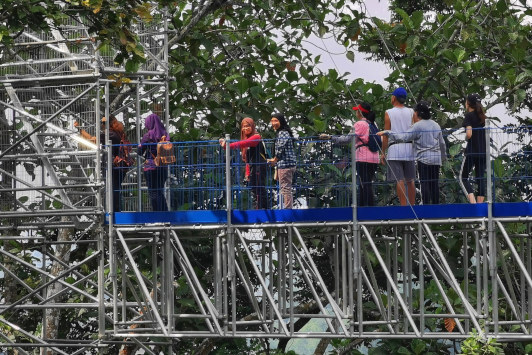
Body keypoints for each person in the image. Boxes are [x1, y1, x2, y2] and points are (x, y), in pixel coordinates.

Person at [378, 101, 446, 205]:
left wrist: (388, 132)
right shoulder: (436, 125)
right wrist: (443, 157)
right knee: (434, 183)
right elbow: (442, 143)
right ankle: (436, 205)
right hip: (436, 159)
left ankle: (426, 206)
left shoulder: (417, 126)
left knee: (425, 183)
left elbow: (403, 137)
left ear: (418, 112)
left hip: (424, 159)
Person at [319, 102, 380, 206]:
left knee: (363, 183)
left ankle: (366, 207)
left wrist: (330, 137)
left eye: (357, 110)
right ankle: (367, 206)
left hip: (363, 158)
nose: (355, 112)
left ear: (360, 113)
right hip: (374, 157)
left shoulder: (359, 124)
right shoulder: (373, 124)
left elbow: (347, 139)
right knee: (367, 182)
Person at [75, 116, 127, 212]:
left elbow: (92, 139)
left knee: (112, 188)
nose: (101, 125)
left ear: (108, 124)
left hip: (113, 166)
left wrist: (80, 129)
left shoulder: (109, 135)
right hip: (120, 165)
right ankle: (116, 209)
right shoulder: (117, 133)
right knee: (115, 188)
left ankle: (114, 210)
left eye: (103, 123)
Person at [220, 117, 268, 209]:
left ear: (253, 126)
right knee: (254, 189)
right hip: (253, 167)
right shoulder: (247, 139)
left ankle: (263, 209)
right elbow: (247, 160)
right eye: (243, 126)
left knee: (260, 188)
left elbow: (243, 143)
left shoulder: (256, 137)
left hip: (259, 166)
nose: (245, 128)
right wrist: (247, 173)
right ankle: (258, 208)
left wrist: (228, 145)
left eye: (248, 126)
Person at [382, 87, 417, 206]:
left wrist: (383, 152)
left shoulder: (389, 112)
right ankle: (412, 205)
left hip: (394, 149)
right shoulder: (412, 112)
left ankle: (403, 206)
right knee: (410, 179)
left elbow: (386, 134)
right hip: (409, 148)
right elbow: (416, 129)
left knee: (399, 179)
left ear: (394, 98)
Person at [139, 113, 169, 211]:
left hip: (151, 167)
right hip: (163, 166)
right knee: (160, 190)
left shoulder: (148, 136)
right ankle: (165, 213)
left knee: (153, 192)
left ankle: (157, 214)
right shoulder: (165, 135)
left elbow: (140, 152)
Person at [461, 93, 487, 204]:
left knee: (463, 177)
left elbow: (469, 134)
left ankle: (472, 202)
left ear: (468, 104)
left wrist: (466, 137)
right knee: (480, 177)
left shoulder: (469, 116)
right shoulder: (482, 117)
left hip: (472, 151)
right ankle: (480, 204)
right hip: (482, 151)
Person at [267, 113, 297, 209]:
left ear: (281, 121)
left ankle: (288, 210)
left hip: (285, 164)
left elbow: (280, 147)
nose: (273, 123)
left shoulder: (283, 132)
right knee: (285, 187)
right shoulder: (284, 132)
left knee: (285, 188)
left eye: (276, 121)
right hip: (288, 164)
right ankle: (286, 207)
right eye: (272, 121)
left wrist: (275, 159)